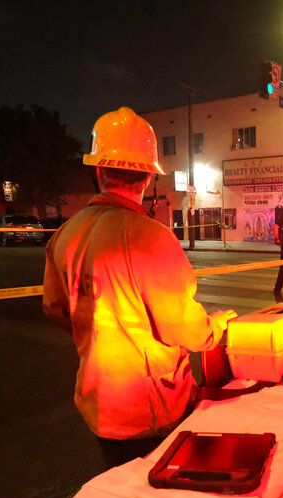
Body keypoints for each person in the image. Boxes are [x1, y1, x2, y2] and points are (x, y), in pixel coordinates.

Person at [43, 107, 234, 470]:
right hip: (151, 410)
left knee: (122, 494)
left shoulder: (65, 235)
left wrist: (95, 334)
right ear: (148, 175)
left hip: (98, 401)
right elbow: (182, 327)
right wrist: (217, 326)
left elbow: (55, 307)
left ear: (98, 170)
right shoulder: (150, 237)